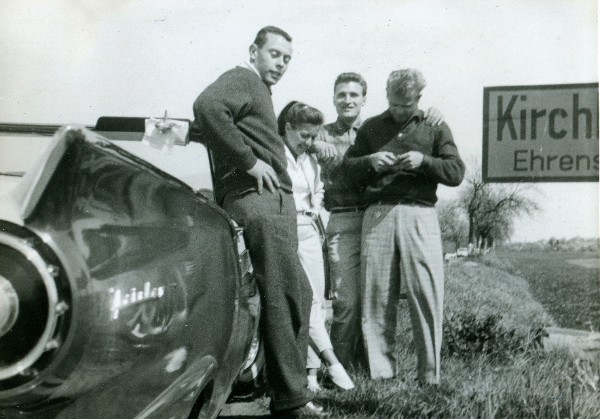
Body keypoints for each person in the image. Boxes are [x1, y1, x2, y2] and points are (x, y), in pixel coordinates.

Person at [189, 27, 325, 417]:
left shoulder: (258, 90)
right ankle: (291, 402)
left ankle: (287, 391)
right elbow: (208, 105)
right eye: (275, 54)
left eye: (287, 58)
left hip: (271, 204)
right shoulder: (243, 78)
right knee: (285, 296)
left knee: (299, 294)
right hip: (259, 202)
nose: (280, 63)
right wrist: (249, 161)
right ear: (254, 51)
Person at [311, 72, 444, 372]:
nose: (347, 100)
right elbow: (292, 139)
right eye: (341, 94)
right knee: (348, 302)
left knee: (377, 298)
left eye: (354, 95)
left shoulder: (377, 129)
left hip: (375, 219)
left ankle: (366, 366)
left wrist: (432, 114)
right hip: (345, 219)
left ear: (365, 99)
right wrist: (314, 146)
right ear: (333, 98)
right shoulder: (320, 133)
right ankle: (340, 370)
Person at [344, 68, 465, 385]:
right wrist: (370, 160)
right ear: (386, 95)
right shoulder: (371, 127)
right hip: (378, 214)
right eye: (394, 103)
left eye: (406, 105)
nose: (399, 110)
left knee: (427, 293)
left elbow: (455, 172)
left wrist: (424, 162)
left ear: (418, 99)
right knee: (376, 295)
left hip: (419, 215)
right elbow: (349, 168)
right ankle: (382, 376)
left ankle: (430, 377)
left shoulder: (434, 126)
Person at [278, 101, 355, 393]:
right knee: (303, 301)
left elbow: (318, 189)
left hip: (310, 229)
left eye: (313, 136)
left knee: (317, 305)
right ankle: (332, 364)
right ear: (287, 128)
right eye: (304, 135)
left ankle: (312, 375)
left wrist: (314, 209)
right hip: (286, 229)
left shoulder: (310, 158)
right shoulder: (276, 154)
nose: (309, 141)